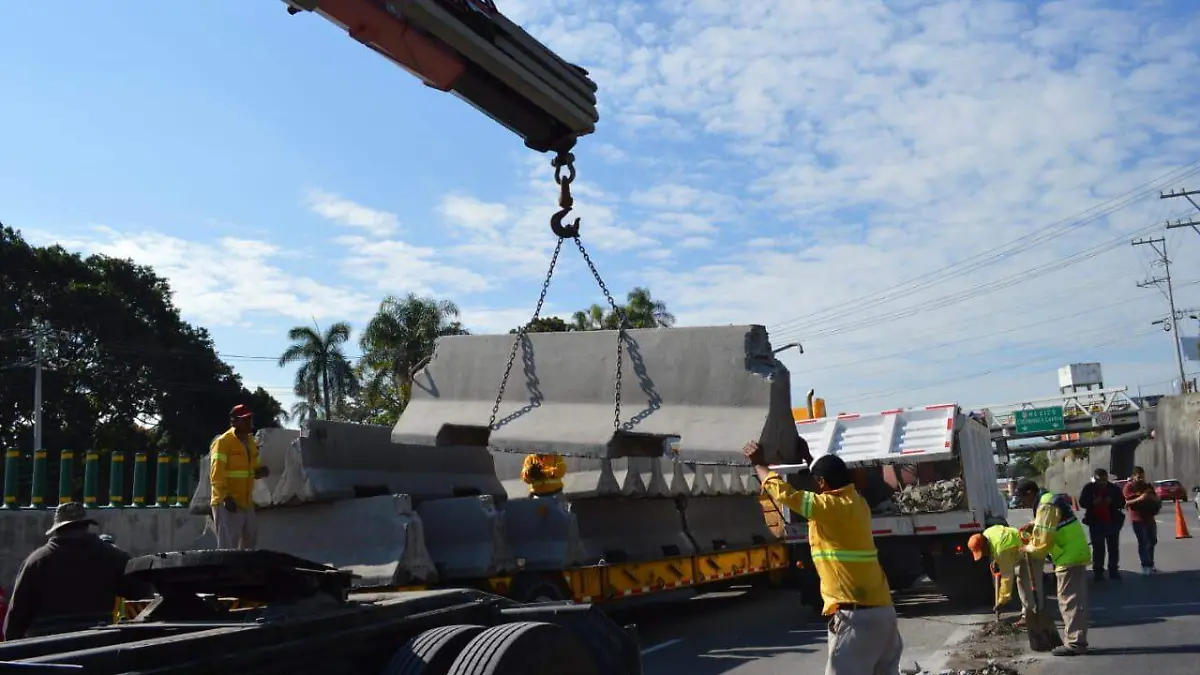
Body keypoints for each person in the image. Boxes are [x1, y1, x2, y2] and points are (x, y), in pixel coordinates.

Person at [745, 440, 902, 675]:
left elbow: (786, 494)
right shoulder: (858, 503)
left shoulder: (827, 507)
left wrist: (759, 464)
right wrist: (811, 460)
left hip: (855, 619)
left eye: (816, 482)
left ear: (822, 483)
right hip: (884, 614)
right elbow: (827, 480)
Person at [3, 503, 153, 639]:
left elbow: (15, 618)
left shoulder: (36, 562)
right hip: (100, 644)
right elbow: (143, 596)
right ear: (86, 526)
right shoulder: (115, 557)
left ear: (57, 530)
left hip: (48, 648)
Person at [1017, 479, 1090, 656]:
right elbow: (1050, 524)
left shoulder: (1045, 505)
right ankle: (1077, 640)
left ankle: (1075, 643)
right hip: (1072, 553)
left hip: (1069, 556)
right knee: (1073, 600)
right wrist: (1034, 525)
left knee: (1069, 601)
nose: (1023, 504)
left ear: (1030, 493)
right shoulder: (1047, 500)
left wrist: (1027, 548)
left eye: (1023, 499)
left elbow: (1042, 542)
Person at [210, 404, 269, 549]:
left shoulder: (251, 442)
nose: (249, 422)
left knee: (251, 539)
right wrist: (226, 497)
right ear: (234, 421)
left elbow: (254, 467)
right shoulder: (223, 442)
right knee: (228, 547)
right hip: (227, 503)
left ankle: (244, 565)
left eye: (250, 418)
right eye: (245, 419)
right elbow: (216, 473)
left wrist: (260, 471)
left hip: (246, 502)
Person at [967, 524, 1044, 617]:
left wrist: (1002, 600)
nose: (983, 555)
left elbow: (1007, 577)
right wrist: (996, 560)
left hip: (1033, 550)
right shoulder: (988, 533)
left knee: (1029, 582)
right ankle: (1027, 614)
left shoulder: (1001, 550)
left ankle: (1037, 614)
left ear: (984, 546)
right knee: (1020, 580)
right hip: (1021, 549)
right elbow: (1001, 538)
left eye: (982, 552)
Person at [1078, 468, 1125, 581]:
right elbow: (1082, 502)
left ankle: (1113, 570)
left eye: (1104, 480)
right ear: (1095, 479)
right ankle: (1098, 572)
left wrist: (1112, 501)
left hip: (1112, 521)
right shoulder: (1089, 488)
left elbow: (1122, 502)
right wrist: (1093, 502)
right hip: (1096, 522)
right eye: (1099, 480)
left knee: (1113, 548)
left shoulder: (1113, 488)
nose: (1102, 482)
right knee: (1098, 549)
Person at [1122, 466, 1161, 575]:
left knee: (1152, 541)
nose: (1141, 479)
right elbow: (1126, 502)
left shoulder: (1147, 486)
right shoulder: (1129, 487)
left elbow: (1156, 498)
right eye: (1139, 477)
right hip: (1137, 519)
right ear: (1133, 476)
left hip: (1150, 517)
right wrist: (1141, 498)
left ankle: (1151, 564)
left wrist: (1153, 498)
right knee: (1143, 542)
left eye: (1142, 477)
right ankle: (1145, 565)